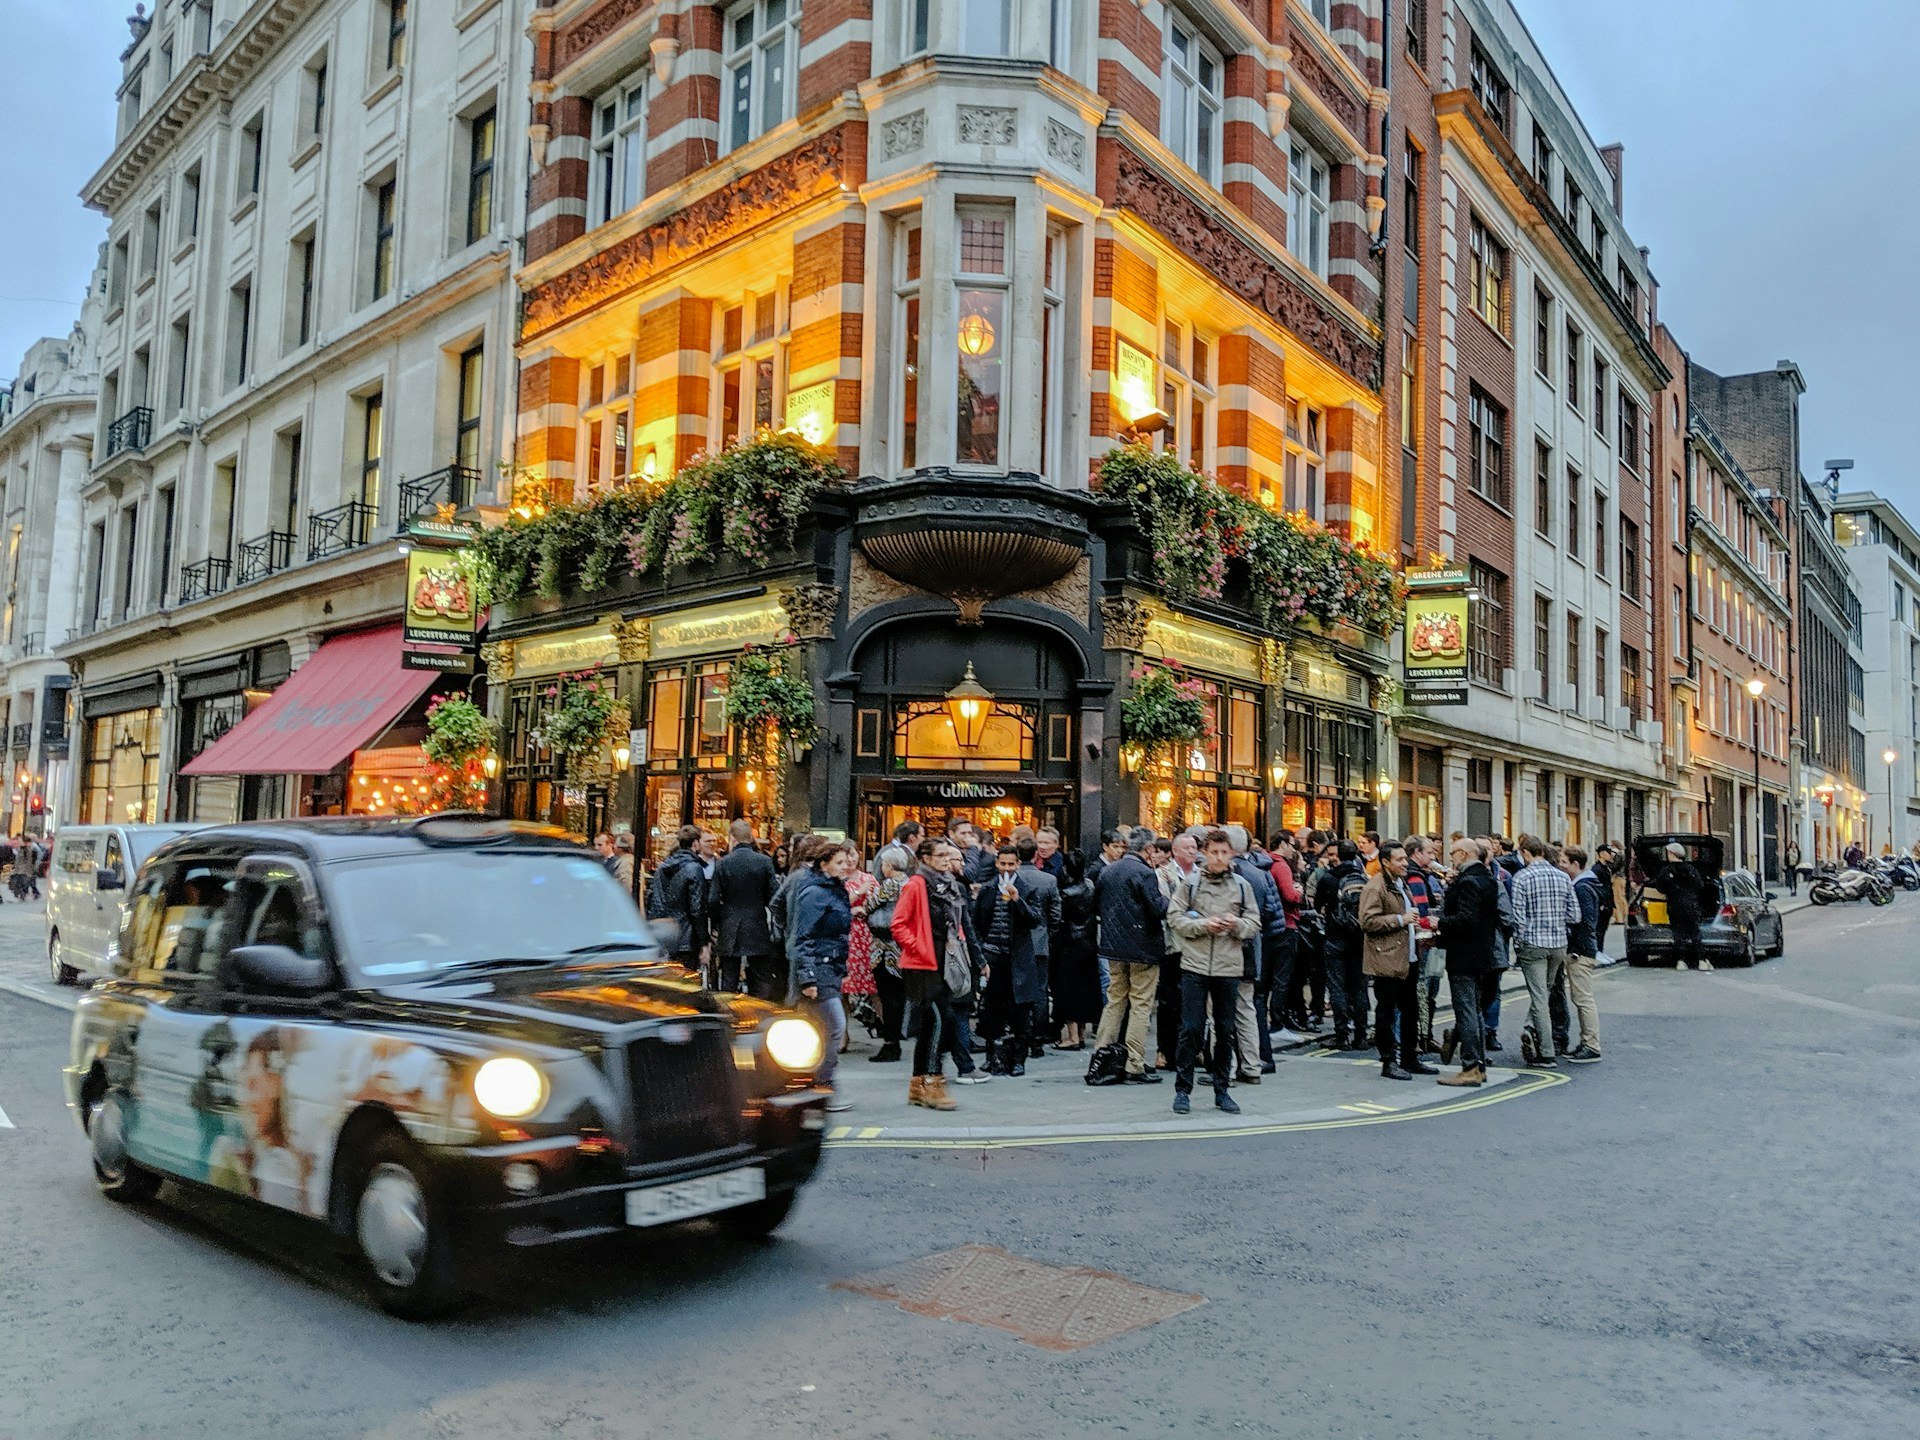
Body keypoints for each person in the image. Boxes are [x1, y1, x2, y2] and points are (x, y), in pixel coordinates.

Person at [1166, 830, 1260, 1115]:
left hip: (1228, 967)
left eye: (1224, 852)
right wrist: (1204, 925)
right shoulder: (1191, 884)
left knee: (1225, 1030)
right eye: (1214, 852)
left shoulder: (1242, 886)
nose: (1219, 857)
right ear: (1205, 853)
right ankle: (1183, 1090)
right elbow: (1174, 917)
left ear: (1232, 854)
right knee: (1191, 1029)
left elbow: (1254, 920)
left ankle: (1222, 1090)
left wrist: (1236, 925)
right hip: (1195, 965)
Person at [892, 838, 965, 1109]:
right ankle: (934, 1083)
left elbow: (954, 922)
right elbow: (898, 924)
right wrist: (919, 947)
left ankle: (917, 1085)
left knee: (928, 1025)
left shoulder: (948, 885)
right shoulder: (916, 884)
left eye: (949, 854)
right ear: (925, 858)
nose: (946, 859)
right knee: (941, 1020)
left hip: (943, 961)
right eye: (941, 855)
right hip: (922, 964)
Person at [1091, 830, 1169, 1083]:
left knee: (1115, 1000)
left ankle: (1101, 1056)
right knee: (1140, 1004)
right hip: (1142, 948)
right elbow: (1158, 908)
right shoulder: (1145, 873)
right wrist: (1172, 897)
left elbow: (1097, 905)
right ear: (1147, 849)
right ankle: (1134, 1063)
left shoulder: (1109, 870)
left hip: (1113, 947)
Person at [788, 840, 856, 1110]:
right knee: (833, 1026)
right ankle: (821, 1084)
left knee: (819, 1029)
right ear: (823, 863)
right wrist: (807, 977)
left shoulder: (833, 888)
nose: (846, 866)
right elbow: (804, 936)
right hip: (817, 968)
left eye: (846, 861)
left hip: (829, 966)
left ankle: (813, 1083)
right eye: (839, 862)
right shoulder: (815, 892)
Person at [1359, 841, 1434, 1081]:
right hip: (1386, 959)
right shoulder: (1375, 887)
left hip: (1408, 957)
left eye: (1405, 859)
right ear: (1385, 862)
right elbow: (1368, 922)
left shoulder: (1401, 884)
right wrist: (1400, 919)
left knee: (1410, 1010)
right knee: (1387, 1013)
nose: (1405, 863)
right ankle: (1388, 1061)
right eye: (1399, 860)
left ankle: (1409, 1058)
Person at [973, 846, 1047, 1075]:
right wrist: (980, 956)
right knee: (990, 1010)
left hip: (1018, 960)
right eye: (1003, 864)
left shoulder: (1027, 889)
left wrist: (1017, 900)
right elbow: (976, 924)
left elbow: (1035, 919)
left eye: (1011, 864)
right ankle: (991, 1057)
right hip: (993, 956)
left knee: (1021, 1012)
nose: (1006, 868)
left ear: (1017, 864)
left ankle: (1018, 1060)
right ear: (997, 863)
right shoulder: (987, 889)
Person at [1510, 834, 1580, 1066]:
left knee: (1539, 997)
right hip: (1558, 944)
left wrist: (1519, 945)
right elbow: (1575, 915)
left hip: (1533, 944)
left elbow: (1518, 918)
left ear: (1526, 853)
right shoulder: (1562, 877)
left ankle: (1547, 1052)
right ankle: (1531, 1028)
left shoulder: (1522, 877)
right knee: (1545, 992)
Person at [1435, 837, 1497, 1086]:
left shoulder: (1469, 881)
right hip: (1482, 953)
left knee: (1466, 1011)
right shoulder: (1487, 878)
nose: (1451, 859)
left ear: (1463, 854)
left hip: (1464, 954)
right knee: (1475, 1011)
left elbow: (1465, 919)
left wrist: (1437, 923)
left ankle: (1470, 1067)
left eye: (1452, 854)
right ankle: (1478, 1066)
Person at [1227, 826, 1284, 1080]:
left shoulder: (1233, 875)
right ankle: (1257, 1060)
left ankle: (1230, 1065)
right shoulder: (1261, 873)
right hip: (1257, 946)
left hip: (1232, 948)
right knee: (1250, 1006)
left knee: (1228, 1009)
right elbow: (1272, 912)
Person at [1314, 839, 1372, 1051]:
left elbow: (1318, 904)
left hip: (1335, 937)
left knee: (1337, 986)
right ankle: (1361, 1035)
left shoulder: (1329, 878)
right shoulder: (1364, 878)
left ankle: (1342, 1035)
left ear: (1338, 854)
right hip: (1360, 938)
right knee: (1359, 986)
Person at [711, 819, 778, 999]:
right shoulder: (764, 862)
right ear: (751, 838)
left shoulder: (723, 863)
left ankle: (728, 1015)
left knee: (729, 978)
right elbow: (775, 896)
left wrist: (718, 920)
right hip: (756, 922)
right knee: (760, 976)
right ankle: (760, 1014)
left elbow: (712, 899)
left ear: (732, 838)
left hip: (730, 923)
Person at [860, 847, 911, 1063]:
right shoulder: (909, 882)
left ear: (889, 866)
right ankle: (895, 1037)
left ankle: (891, 1043)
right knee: (897, 995)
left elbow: (869, 905)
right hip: (901, 947)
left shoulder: (891, 884)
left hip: (885, 947)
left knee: (889, 996)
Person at [1014, 837, 1061, 1059]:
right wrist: (1049, 934)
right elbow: (1055, 914)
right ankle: (1038, 1040)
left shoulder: (1012, 879)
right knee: (1040, 991)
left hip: (1016, 942)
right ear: (1036, 855)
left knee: (1017, 989)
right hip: (1040, 941)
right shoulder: (1049, 880)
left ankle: (1019, 1035)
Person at [1051, 851, 1103, 1048]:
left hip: (1069, 945)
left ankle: (1072, 1036)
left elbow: (1058, 920)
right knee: (1085, 989)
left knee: (1069, 990)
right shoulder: (1090, 886)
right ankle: (1080, 1034)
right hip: (1088, 944)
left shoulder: (1066, 894)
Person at [1152, 833, 1195, 1069]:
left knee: (1193, 1001)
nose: (1192, 851)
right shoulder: (1163, 874)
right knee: (1169, 1000)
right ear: (1175, 852)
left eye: (1194, 847)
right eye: (1187, 847)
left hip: (1197, 945)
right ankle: (1164, 1050)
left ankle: (1193, 1049)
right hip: (1172, 944)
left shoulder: (1202, 874)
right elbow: (1167, 908)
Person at [1561, 844, 1604, 1063]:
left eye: (1564, 862)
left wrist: (1576, 949)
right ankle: (1586, 1041)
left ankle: (1592, 1045)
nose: (1561, 865)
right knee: (1580, 999)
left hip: (1581, 951)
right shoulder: (1585, 885)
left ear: (1575, 864)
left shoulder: (1581, 888)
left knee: (1583, 999)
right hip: (1584, 948)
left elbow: (1585, 922)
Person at [1404, 835, 1445, 1055]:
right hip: (1426, 942)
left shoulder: (1427, 876)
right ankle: (1422, 1036)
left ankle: (1426, 1035)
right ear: (1417, 853)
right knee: (1424, 989)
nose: (1433, 856)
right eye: (1429, 852)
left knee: (1431, 989)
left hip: (1435, 942)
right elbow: (1421, 914)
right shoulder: (1416, 878)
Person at [647, 825, 708, 966]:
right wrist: (704, 942)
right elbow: (697, 909)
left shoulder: (662, 867)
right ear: (695, 843)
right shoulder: (694, 868)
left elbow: (654, 901)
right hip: (686, 938)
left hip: (665, 935)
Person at [1653, 840, 1713, 972]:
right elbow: (1700, 885)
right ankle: (1702, 961)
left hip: (1675, 906)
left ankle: (1681, 961)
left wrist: (1672, 890)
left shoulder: (1666, 870)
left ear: (1671, 854)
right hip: (1691, 905)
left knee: (1678, 933)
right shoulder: (1691, 869)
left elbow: (1660, 888)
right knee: (1694, 932)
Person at [1590, 843, 1619, 959]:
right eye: (1608, 853)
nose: (1611, 855)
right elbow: (1597, 888)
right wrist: (1601, 903)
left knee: (1603, 929)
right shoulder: (1596, 869)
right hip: (1601, 904)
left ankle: (1600, 950)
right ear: (1602, 854)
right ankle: (1597, 951)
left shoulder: (1606, 868)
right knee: (1599, 929)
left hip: (1607, 904)